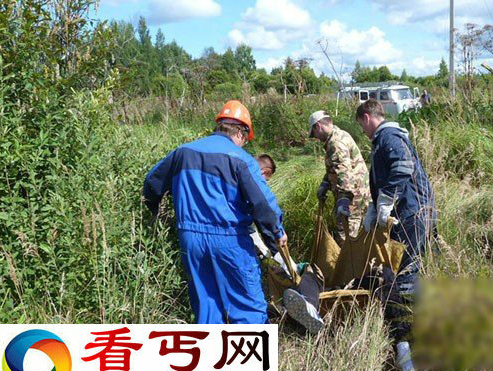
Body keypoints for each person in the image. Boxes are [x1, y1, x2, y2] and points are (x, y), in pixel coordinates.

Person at [143, 100, 287, 324]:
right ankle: (250, 358)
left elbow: (151, 185)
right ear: (240, 133)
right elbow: (264, 206)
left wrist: (155, 215)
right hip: (230, 241)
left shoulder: (182, 152)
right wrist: (276, 235)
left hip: (190, 240)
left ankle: (213, 357)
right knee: (247, 308)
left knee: (207, 308)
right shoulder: (241, 160)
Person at [355, 99, 436, 371]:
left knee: (404, 277)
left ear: (367, 118)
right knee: (407, 275)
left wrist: (386, 201)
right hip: (409, 215)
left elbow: (402, 167)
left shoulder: (389, 136)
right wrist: (374, 207)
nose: (362, 131)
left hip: (412, 216)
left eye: (360, 125)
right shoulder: (383, 140)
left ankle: (408, 342)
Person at [252, 153, 324, 334]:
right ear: (265, 172)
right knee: (308, 271)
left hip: (250, 245)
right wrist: (278, 234)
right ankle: (309, 305)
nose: (266, 183)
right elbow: (268, 213)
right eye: (267, 179)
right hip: (270, 251)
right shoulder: (254, 183)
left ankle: (301, 306)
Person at [308, 110, 369, 245]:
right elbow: (336, 168)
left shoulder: (335, 143)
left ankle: (350, 265)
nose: (316, 138)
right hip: (360, 193)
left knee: (346, 239)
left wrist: (344, 199)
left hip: (353, 198)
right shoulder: (340, 135)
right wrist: (325, 183)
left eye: (314, 134)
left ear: (318, 126)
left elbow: (344, 172)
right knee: (359, 236)